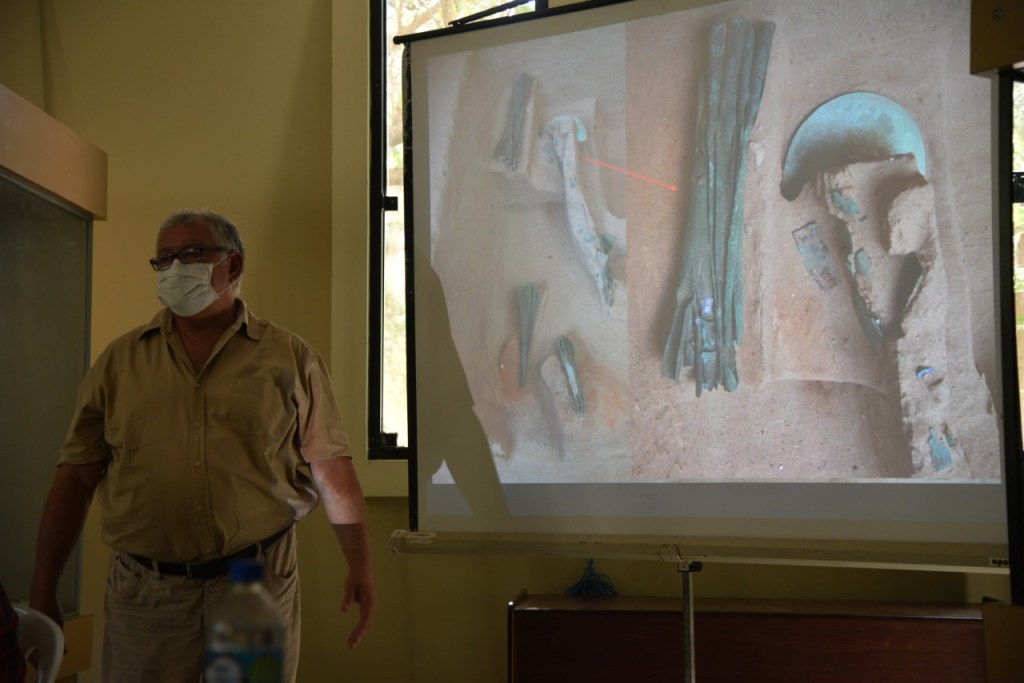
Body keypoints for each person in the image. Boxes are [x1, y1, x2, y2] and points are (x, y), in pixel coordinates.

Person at [29, 209, 375, 681]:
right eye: (165, 258)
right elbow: (75, 480)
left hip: (253, 587)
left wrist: (360, 564)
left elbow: (331, 467)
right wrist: (43, 587)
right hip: (146, 597)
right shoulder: (118, 364)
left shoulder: (288, 358)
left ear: (233, 267)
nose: (176, 267)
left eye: (192, 253)